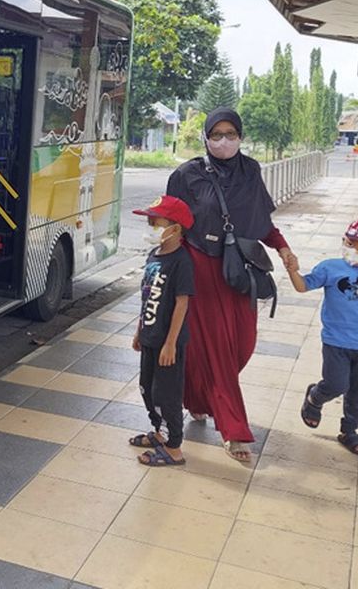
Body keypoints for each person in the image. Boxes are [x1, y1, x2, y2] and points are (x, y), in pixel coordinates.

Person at [166, 108, 298, 462]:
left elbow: (261, 221)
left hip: (238, 272)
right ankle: (234, 430)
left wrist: (283, 247)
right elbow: (172, 224)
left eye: (231, 134)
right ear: (206, 137)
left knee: (241, 344)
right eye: (217, 134)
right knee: (218, 350)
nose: (224, 141)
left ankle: (196, 398)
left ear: (240, 135)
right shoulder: (187, 174)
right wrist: (166, 271)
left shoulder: (250, 171)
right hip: (200, 270)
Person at [288, 218, 358, 455]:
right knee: (336, 384)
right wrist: (292, 270)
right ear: (343, 240)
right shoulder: (330, 268)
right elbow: (303, 286)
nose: (357, 251)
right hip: (336, 342)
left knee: (357, 392)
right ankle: (315, 398)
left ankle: (350, 431)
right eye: (352, 244)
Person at [128, 195, 195, 467]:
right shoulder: (153, 255)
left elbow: (182, 303)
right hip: (149, 336)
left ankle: (174, 448)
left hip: (169, 342)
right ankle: (159, 432)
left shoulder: (182, 261)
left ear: (175, 228)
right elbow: (146, 297)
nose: (150, 225)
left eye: (156, 222)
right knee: (147, 387)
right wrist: (139, 330)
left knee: (166, 394)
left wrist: (170, 343)